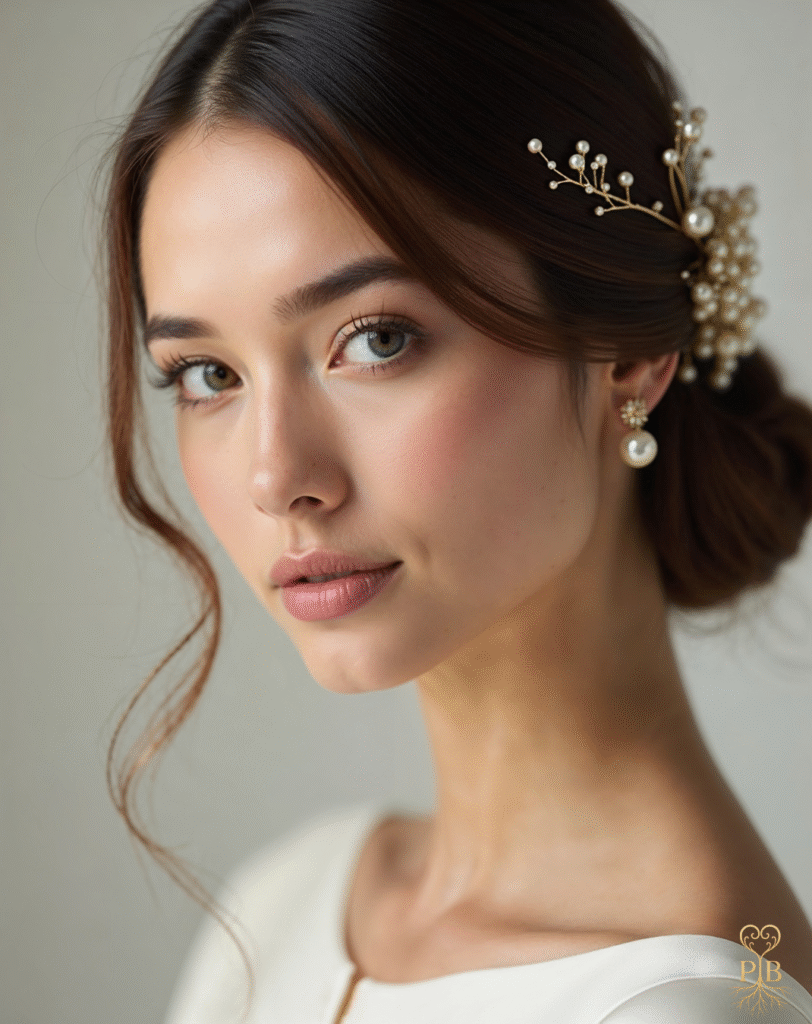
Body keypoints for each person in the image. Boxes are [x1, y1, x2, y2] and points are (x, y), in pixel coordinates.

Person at [99, 0, 812, 1020]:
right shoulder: (286, 903)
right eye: (207, 372)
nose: (276, 478)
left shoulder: (687, 1002)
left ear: (626, 355)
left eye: (375, 338)